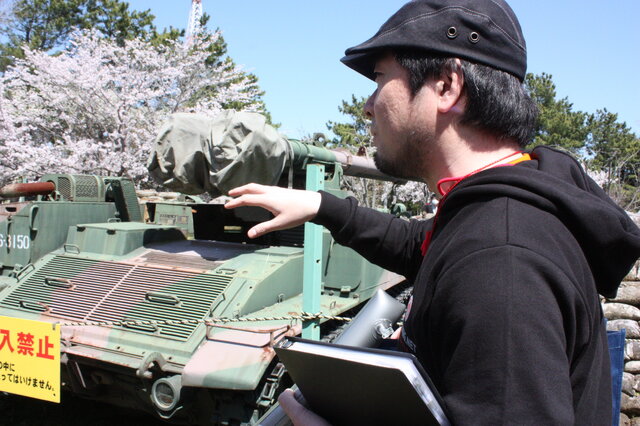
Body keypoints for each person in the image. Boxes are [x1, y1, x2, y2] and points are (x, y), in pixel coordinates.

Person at [225, 0, 640, 424]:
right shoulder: (495, 206)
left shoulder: (501, 256)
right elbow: (424, 246)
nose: (368, 106)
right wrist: (320, 205)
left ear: (446, 86)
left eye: (381, 79)